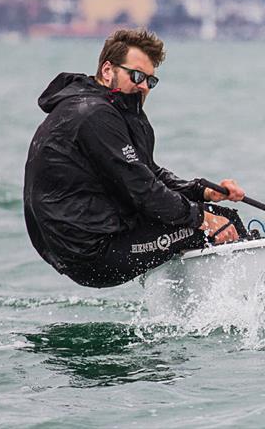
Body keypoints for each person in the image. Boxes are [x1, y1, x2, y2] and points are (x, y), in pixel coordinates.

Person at [24, 28, 246, 288]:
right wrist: (202, 219)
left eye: (150, 81)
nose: (143, 86)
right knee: (222, 224)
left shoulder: (106, 108)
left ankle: (196, 306)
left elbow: (146, 174)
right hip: (93, 253)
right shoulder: (94, 115)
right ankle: (245, 308)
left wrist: (202, 191)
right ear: (108, 71)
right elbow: (144, 191)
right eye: (137, 76)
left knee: (213, 216)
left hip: (89, 242)